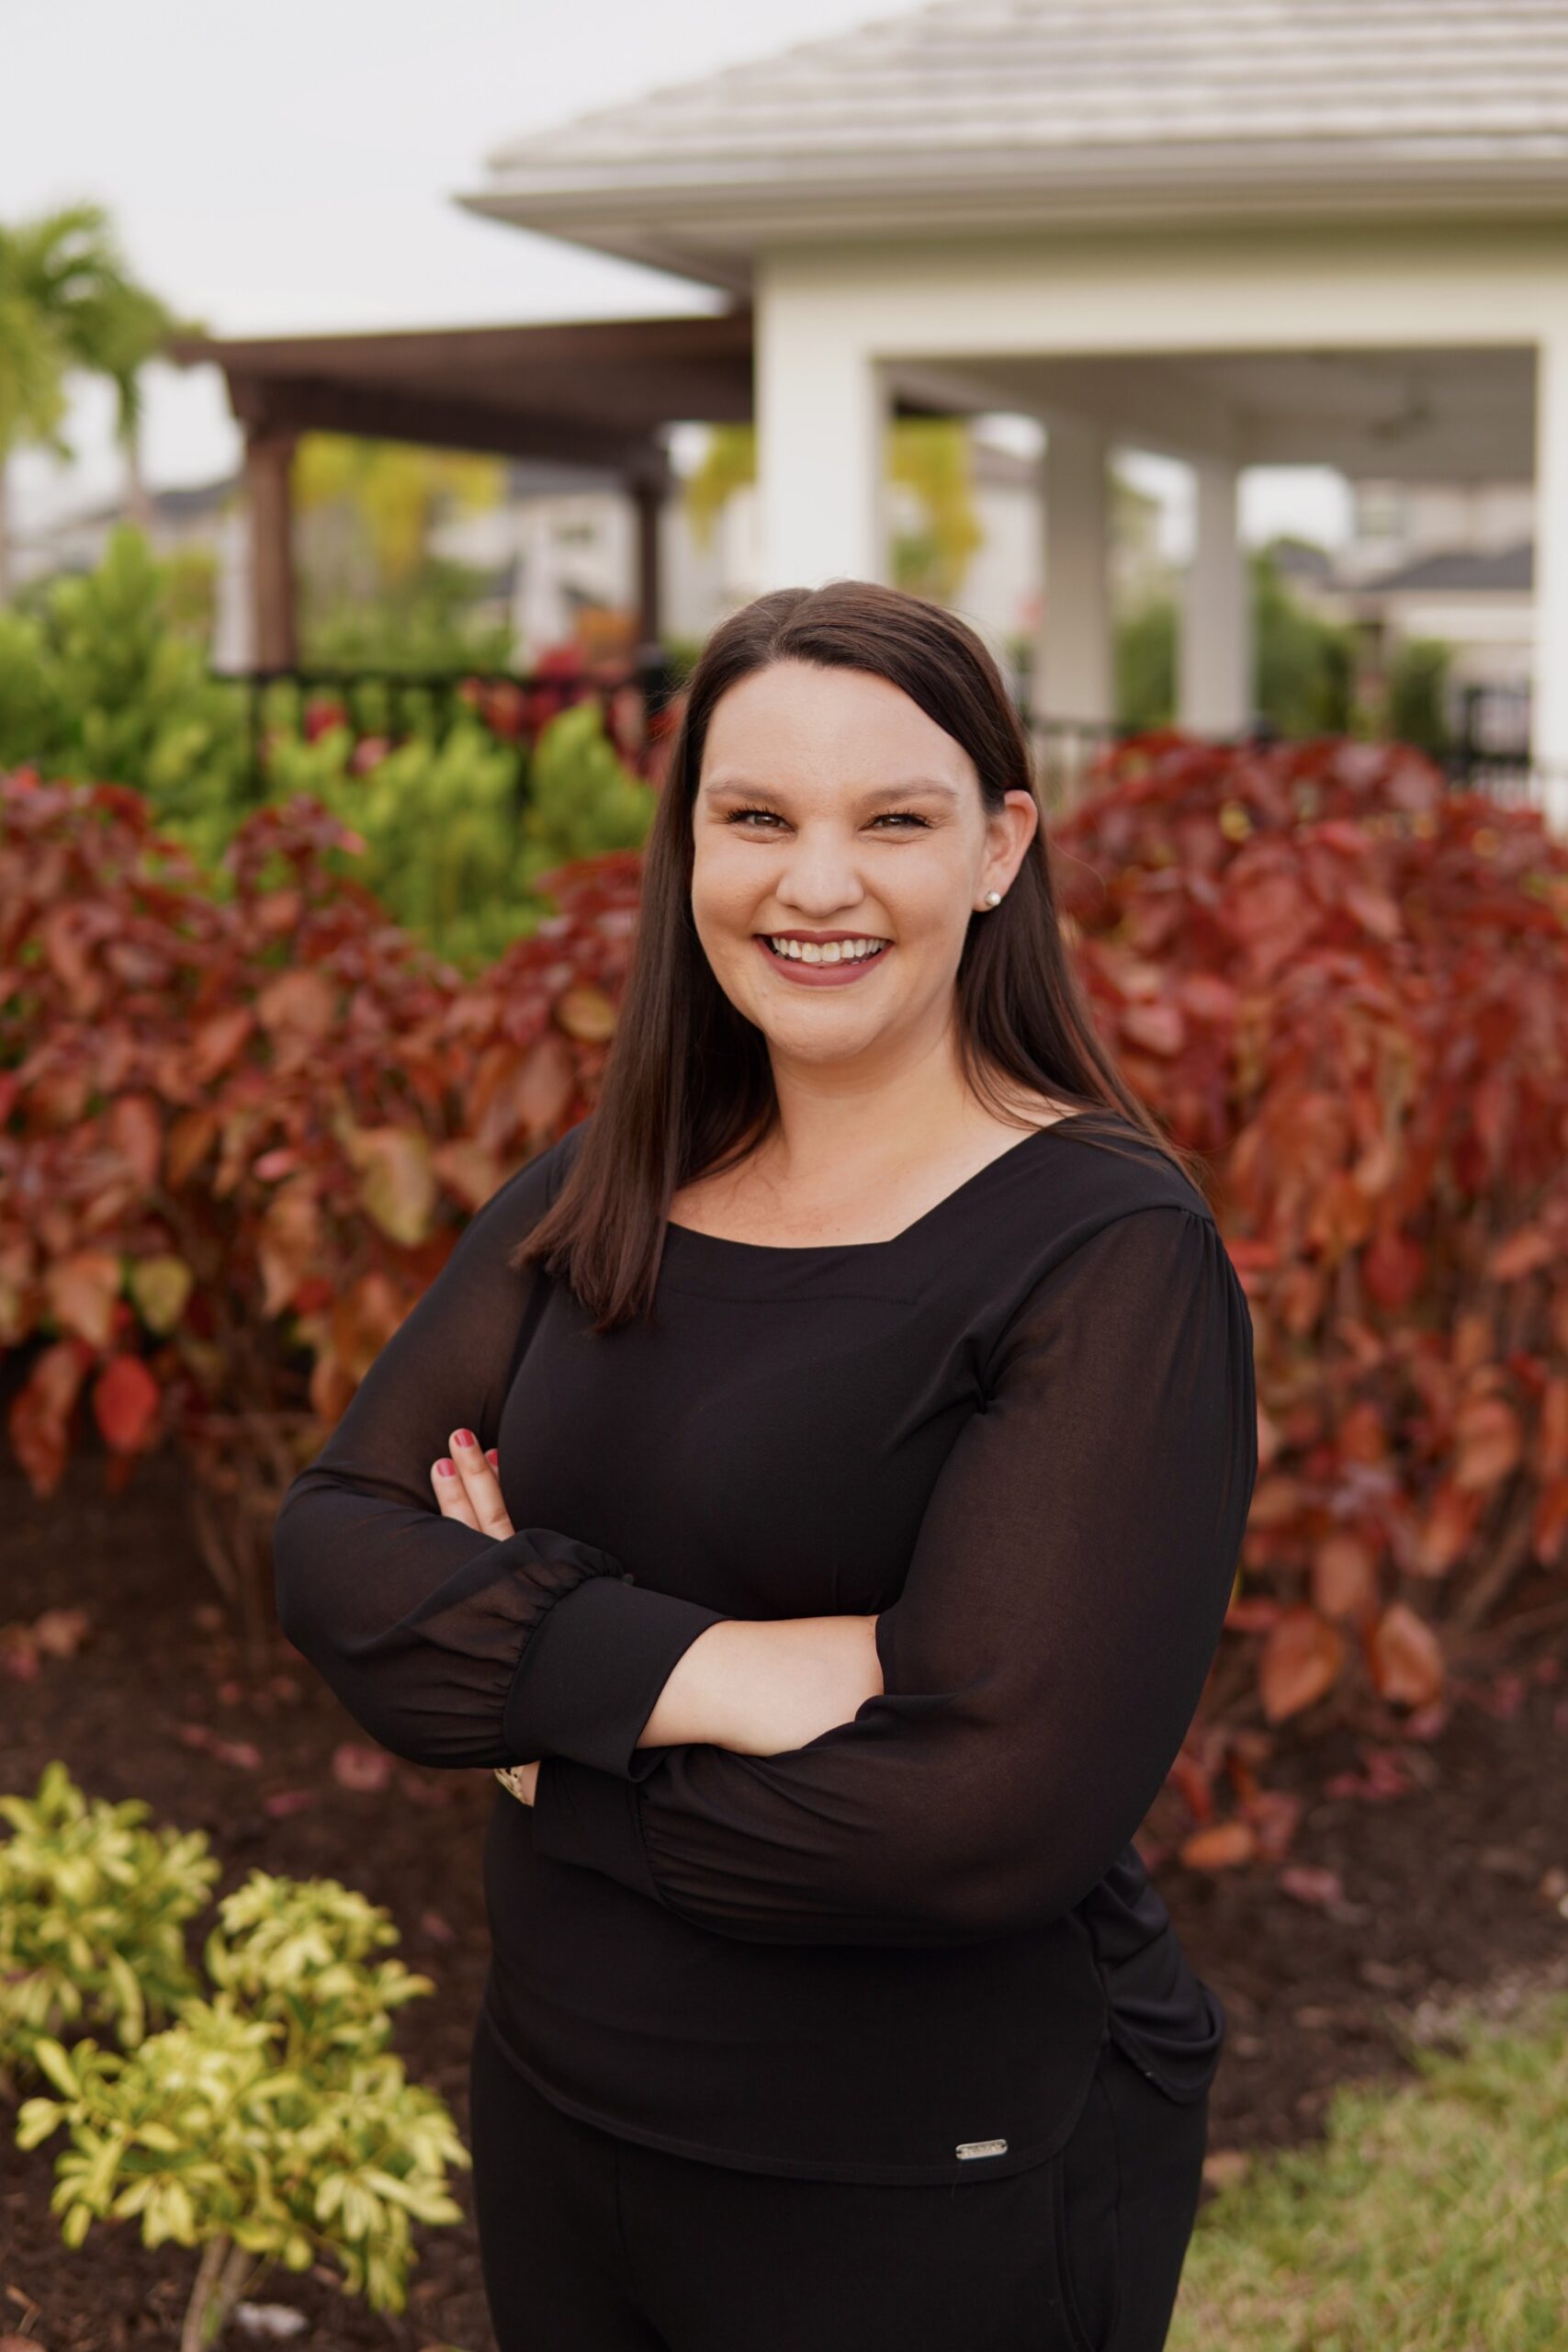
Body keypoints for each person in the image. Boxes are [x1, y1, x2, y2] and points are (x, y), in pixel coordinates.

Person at [272, 581, 1258, 2352]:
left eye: (894, 819)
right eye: (756, 819)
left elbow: (975, 1823)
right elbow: (340, 1546)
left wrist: (532, 1733)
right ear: (690, 847)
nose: (816, 885)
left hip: (928, 2166)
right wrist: (719, 1673)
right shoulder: (615, 1181)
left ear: (997, 848)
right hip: (562, 2100)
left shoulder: (1108, 1248)